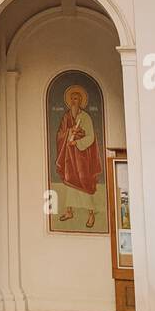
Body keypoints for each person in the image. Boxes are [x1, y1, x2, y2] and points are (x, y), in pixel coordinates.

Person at [55, 83, 102, 228]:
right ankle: (69, 211)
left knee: (84, 183)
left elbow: (91, 137)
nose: (74, 101)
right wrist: (69, 133)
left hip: (82, 157)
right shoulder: (66, 117)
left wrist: (78, 142)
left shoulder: (85, 117)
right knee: (70, 183)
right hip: (70, 158)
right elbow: (60, 135)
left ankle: (91, 214)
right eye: (72, 99)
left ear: (81, 101)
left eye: (77, 99)